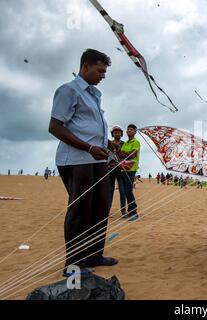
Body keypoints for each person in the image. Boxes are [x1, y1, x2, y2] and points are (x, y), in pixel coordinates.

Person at [48, 49, 118, 276]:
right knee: (80, 211)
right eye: (100, 71)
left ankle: (94, 256)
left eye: (105, 72)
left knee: (101, 208)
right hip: (77, 160)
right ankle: (74, 265)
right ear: (85, 67)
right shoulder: (69, 90)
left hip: (97, 159)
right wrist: (88, 148)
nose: (103, 76)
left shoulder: (93, 95)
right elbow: (55, 127)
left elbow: (87, 128)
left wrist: (108, 143)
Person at [120, 124, 140, 221]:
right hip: (123, 169)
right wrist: (125, 154)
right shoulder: (125, 143)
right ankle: (130, 211)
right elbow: (120, 154)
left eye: (131, 129)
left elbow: (133, 155)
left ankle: (134, 212)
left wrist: (125, 154)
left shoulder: (136, 142)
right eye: (128, 129)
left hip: (131, 169)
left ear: (135, 131)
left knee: (128, 190)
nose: (129, 131)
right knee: (125, 191)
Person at [107, 125, 127, 217]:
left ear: (121, 134)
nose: (117, 133)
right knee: (109, 191)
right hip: (110, 169)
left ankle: (123, 210)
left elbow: (125, 155)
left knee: (122, 191)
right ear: (112, 134)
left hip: (120, 170)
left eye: (119, 132)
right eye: (115, 132)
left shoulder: (124, 144)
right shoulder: (109, 143)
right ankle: (107, 211)